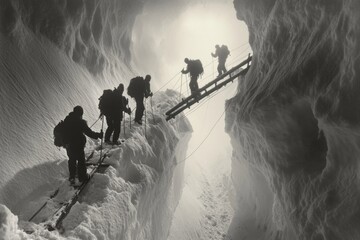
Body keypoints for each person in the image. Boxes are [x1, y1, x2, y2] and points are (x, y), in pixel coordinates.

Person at [64, 106, 103, 185]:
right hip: (78, 145)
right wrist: (98, 135)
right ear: (80, 113)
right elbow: (89, 133)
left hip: (69, 145)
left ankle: (72, 176)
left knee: (72, 160)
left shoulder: (67, 119)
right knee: (81, 160)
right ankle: (82, 177)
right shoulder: (81, 122)